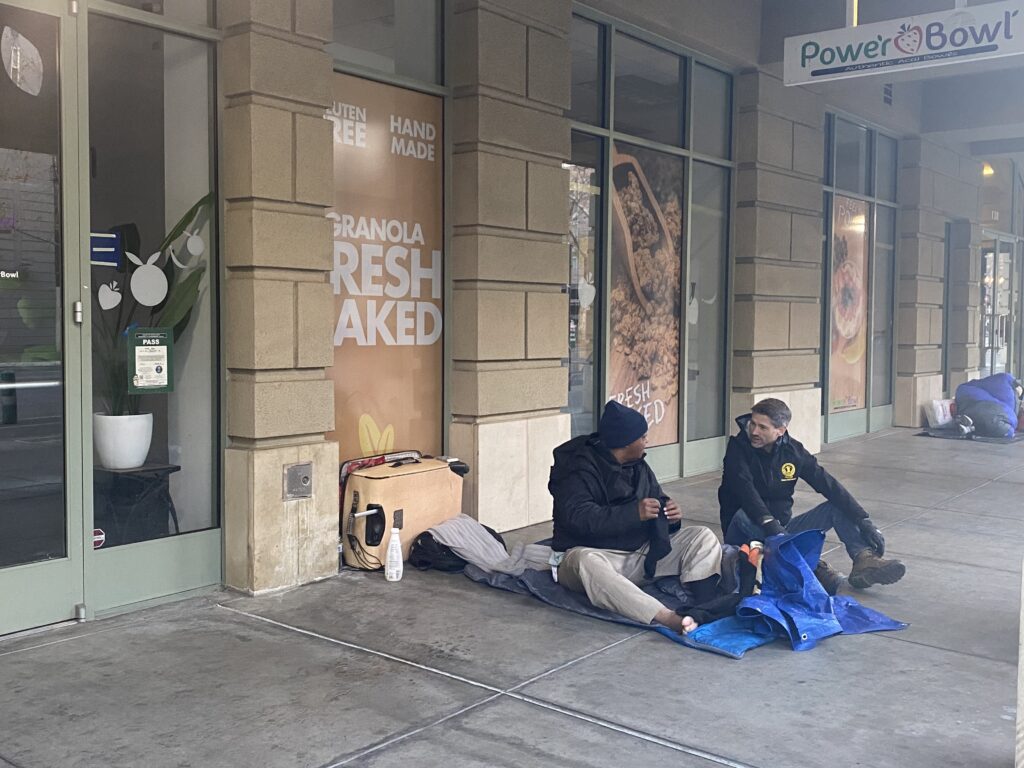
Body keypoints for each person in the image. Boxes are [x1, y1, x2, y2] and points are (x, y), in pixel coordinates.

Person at [549, 400, 724, 634]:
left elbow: (656, 500)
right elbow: (578, 518)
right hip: (594, 556)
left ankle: (705, 606)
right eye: (642, 437)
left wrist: (670, 516)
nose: (646, 441)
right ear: (625, 442)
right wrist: (634, 513)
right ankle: (667, 617)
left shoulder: (638, 465)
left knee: (701, 536)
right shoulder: (577, 469)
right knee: (584, 560)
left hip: (640, 553)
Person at [718, 398, 905, 593]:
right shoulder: (737, 448)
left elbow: (828, 484)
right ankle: (811, 565)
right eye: (753, 424)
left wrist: (863, 519)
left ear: (780, 430)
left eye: (762, 427)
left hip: (783, 532)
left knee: (835, 506)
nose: (754, 431)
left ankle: (863, 560)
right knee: (745, 514)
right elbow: (746, 492)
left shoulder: (794, 451)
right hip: (745, 535)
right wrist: (770, 525)